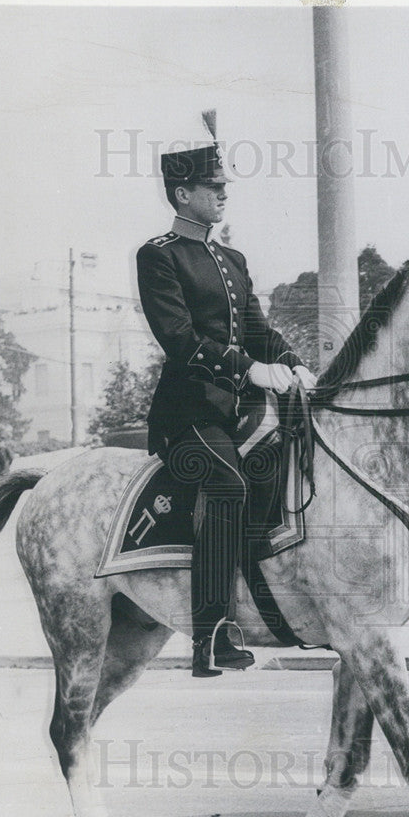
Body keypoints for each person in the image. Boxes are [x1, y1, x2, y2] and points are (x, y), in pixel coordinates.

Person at [137, 112, 316, 678]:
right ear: (182, 192)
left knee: (285, 467)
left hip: (239, 412)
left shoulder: (232, 260)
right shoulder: (159, 255)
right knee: (227, 483)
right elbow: (182, 341)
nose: (222, 196)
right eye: (213, 188)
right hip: (187, 414)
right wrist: (250, 371)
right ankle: (211, 635)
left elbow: (260, 328)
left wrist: (293, 363)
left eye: (223, 188)